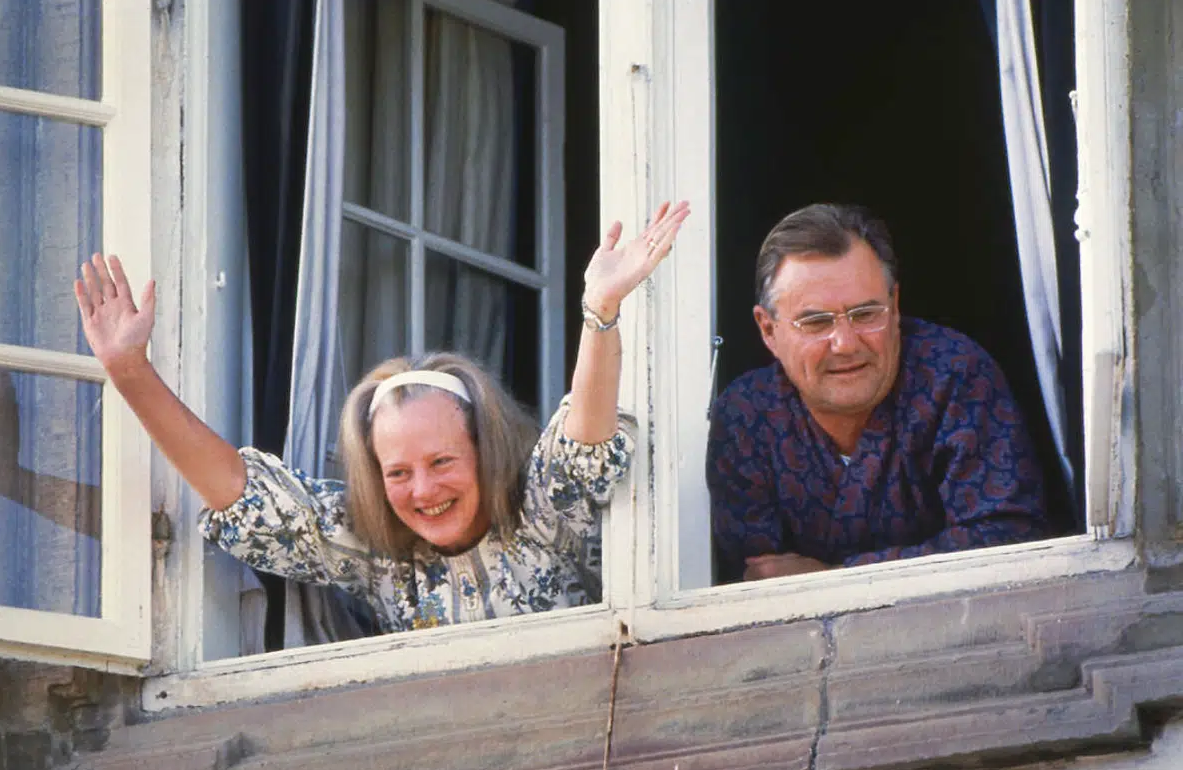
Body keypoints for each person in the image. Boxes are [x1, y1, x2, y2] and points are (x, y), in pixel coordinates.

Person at [73, 201, 690, 631]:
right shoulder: (374, 553)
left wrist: (600, 308)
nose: (423, 490)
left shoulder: (539, 514)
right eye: (398, 472)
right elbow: (242, 495)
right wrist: (130, 371)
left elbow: (583, 440)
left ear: (487, 449)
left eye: (442, 461)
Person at [706, 203, 1050, 583]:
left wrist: (836, 578)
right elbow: (761, 580)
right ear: (769, 330)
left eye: (866, 314)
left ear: (895, 305)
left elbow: (1010, 540)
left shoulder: (955, 377)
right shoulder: (745, 418)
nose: (845, 343)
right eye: (816, 322)